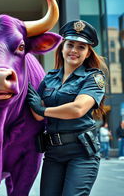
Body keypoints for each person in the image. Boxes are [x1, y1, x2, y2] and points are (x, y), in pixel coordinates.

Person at [27, 20, 107, 196]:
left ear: (87, 54)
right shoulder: (49, 78)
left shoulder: (93, 77)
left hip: (81, 153)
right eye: (70, 44)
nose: (74, 51)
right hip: (53, 153)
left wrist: (43, 110)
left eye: (81, 47)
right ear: (62, 48)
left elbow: (77, 109)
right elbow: (37, 115)